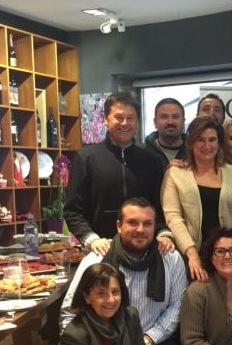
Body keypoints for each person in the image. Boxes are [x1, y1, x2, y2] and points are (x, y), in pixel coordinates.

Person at [52, 197, 187, 345]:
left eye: (147, 223)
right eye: (132, 222)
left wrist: (147, 339)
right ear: (119, 225)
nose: (140, 229)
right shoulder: (96, 259)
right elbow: (71, 311)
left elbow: (177, 306)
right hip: (105, 343)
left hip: (153, 340)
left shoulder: (170, 258)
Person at [64, 92, 164, 255]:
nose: (125, 123)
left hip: (144, 250)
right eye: (119, 117)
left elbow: (160, 206)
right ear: (106, 119)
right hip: (100, 250)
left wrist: (162, 232)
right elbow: (72, 210)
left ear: (137, 121)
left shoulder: (151, 161)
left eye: (131, 118)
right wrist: (91, 238)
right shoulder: (86, 157)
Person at [162, 115, 232, 282]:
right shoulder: (175, 174)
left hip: (229, 259)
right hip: (190, 259)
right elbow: (173, 217)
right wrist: (192, 255)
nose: (206, 145)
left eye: (212, 140)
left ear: (219, 144)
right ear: (190, 143)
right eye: (200, 140)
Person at [143, 97, 188, 171]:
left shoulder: (194, 152)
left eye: (175, 117)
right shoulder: (142, 153)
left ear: (183, 122)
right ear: (155, 122)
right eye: (164, 117)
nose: (170, 122)